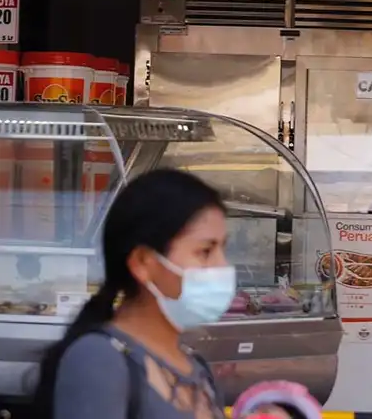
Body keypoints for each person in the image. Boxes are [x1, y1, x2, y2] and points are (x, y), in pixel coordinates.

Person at [32, 169, 235, 419]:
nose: (222, 266)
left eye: (222, 249)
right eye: (205, 252)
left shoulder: (197, 367)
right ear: (143, 262)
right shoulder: (99, 360)